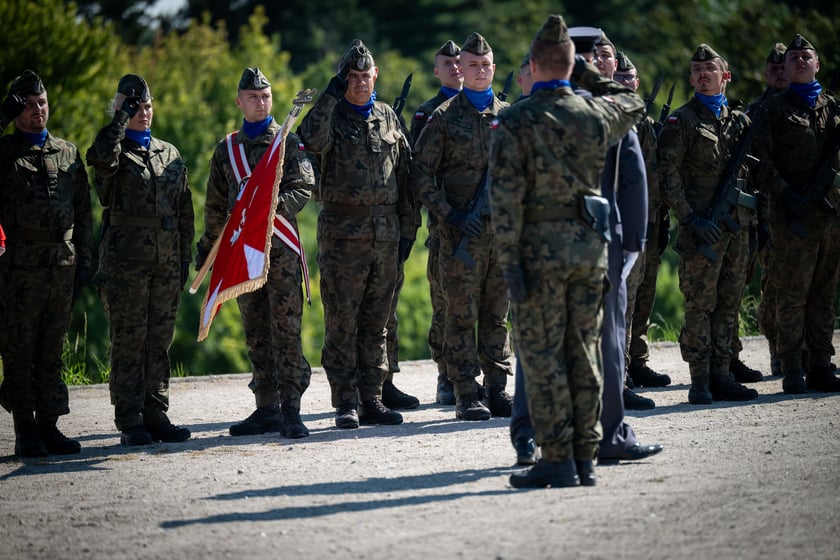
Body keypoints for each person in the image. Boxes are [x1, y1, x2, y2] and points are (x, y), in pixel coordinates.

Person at [490, 15, 646, 488]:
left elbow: (505, 201)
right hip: (589, 252)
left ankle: (557, 457)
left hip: (537, 253)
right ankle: (585, 455)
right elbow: (632, 102)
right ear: (571, 64)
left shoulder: (514, 120)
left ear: (534, 66)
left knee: (543, 358)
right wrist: (585, 74)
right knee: (585, 353)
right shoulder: (593, 113)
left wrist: (510, 264)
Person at [298, 39, 417, 429]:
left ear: (376, 76)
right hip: (342, 238)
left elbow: (405, 176)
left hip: (385, 235)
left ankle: (373, 397)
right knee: (342, 322)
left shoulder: (387, 116)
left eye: (366, 76)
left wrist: (408, 230)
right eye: (353, 77)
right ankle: (345, 402)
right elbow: (309, 141)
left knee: (377, 322)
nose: (361, 83)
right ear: (342, 79)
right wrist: (329, 98)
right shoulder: (331, 117)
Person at [194, 67, 316, 439]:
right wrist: (207, 250)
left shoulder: (287, 142)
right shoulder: (226, 150)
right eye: (252, 97)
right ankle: (266, 408)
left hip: (279, 250)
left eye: (265, 97)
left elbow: (304, 186)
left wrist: (271, 207)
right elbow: (216, 206)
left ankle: (291, 410)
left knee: (285, 329)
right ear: (239, 101)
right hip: (243, 254)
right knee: (256, 331)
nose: (260, 103)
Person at [86, 74, 194, 445]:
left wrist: (182, 260)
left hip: (165, 262)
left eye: (146, 106)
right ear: (119, 110)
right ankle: (129, 419)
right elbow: (99, 159)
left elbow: (184, 210)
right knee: (129, 340)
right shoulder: (113, 152)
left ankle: (155, 412)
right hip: (125, 265)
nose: (143, 113)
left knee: (158, 340)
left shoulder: (170, 153)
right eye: (134, 107)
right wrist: (119, 119)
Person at [412, 32, 514, 422]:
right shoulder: (443, 118)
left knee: (496, 315)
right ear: (461, 69)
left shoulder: (510, 117)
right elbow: (420, 174)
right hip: (460, 235)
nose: (480, 71)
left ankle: (497, 388)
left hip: (501, 234)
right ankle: (465, 392)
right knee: (460, 315)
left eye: (486, 64)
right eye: (472, 65)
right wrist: (449, 214)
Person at [658, 44, 759, 405]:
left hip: (737, 227)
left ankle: (722, 374)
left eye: (710, 68)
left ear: (724, 75)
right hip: (702, 227)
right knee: (700, 305)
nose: (703, 73)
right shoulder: (682, 121)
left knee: (729, 303)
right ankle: (699, 379)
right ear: (690, 78)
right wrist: (690, 218)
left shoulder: (741, 121)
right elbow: (667, 175)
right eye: (697, 69)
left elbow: (751, 177)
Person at [0, 70, 92, 457]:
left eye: (42, 103)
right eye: (29, 105)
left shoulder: (67, 152)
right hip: (19, 267)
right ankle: (25, 429)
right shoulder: (4, 152)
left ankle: (49, 424)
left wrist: (85, 260)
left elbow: (84, 213)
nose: (38, 110)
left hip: (62, 264)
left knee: (51, 347)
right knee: (20, 347)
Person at [585, 29, 664, 462]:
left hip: (548, 247)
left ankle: (553, 442)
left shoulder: (536, 111)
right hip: (605, 243)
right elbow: (633, 181)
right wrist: (632, 242)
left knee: (550, 345)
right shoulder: (617, 108)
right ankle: (610, 436)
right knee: (610, 341)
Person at [753, 34, 840, 394]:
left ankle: (820, 364)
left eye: (807, 57)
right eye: (794, 59)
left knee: (823, 293)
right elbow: (759, 161)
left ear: (817, 65)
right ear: (785, 69)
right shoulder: (773, 110)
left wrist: (819, 189)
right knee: (791, 294)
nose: (800, 62)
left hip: (829, 215)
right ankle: (791, 368)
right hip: (790, 217)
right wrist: (788, 193)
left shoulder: (832, 108)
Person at [613, 51, 674, 403]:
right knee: (624, 301)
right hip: (621, 224)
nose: (624, 82)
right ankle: (619, 374)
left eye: (628, 78)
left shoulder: (645, 124)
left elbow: (655, 175)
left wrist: (660, 217)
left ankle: (636, 361)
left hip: (648, 221)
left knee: (643, 298)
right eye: (618, 77)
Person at [409, 39, 463, 406]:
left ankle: (487, 376)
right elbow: (419, 172)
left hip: (487, 222)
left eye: (461, 61)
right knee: (445, 302)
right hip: (446, 224)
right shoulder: (428, 114)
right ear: (436, 70)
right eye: (448, 62)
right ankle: (446, 376)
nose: (456, 67)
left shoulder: (494, 108)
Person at [749, 42, 788, 378]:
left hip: (810, 212)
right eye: (772, 68)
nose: (778, 72)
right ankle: (778, 351)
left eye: (782, 66)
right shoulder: (755, 112)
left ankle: (808, 352)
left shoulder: (808, 107)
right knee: (773, 285)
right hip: (766, 211)